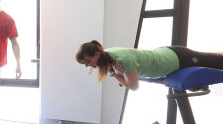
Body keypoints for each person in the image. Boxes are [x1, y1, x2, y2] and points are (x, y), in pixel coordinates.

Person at [75, 40, 223, 90]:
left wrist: (115, 75)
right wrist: (117, 73)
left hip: (177, 58)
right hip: (167, 57)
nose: (88, 65)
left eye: (88, 61)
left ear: (96, 55)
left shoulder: (122, 60)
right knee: (211, 57)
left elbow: (133, 87)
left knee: (216, 61)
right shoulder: (107, 56)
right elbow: (126, 78)